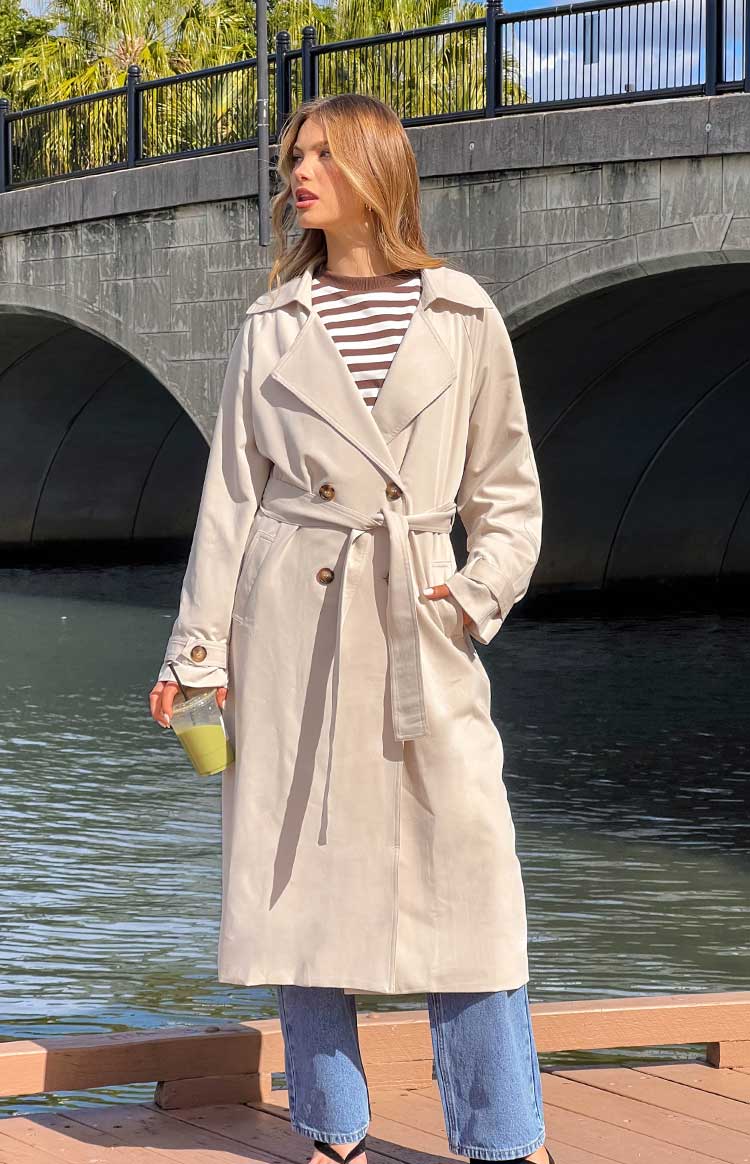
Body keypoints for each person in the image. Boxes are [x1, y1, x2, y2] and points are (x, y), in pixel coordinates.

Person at [149, 93, 551, 1164]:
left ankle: (506, 1140)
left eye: (324, 154)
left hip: (420, 614)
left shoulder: (463, 314)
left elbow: (508, 493)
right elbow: (231, 500)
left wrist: (470, 594)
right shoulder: (271, 325)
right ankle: (333, 1133)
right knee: (300, 883)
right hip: (290, 622)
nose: (300, 173)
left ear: (379, 167)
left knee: (470, 877)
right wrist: (197, 656)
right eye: (295, 156)